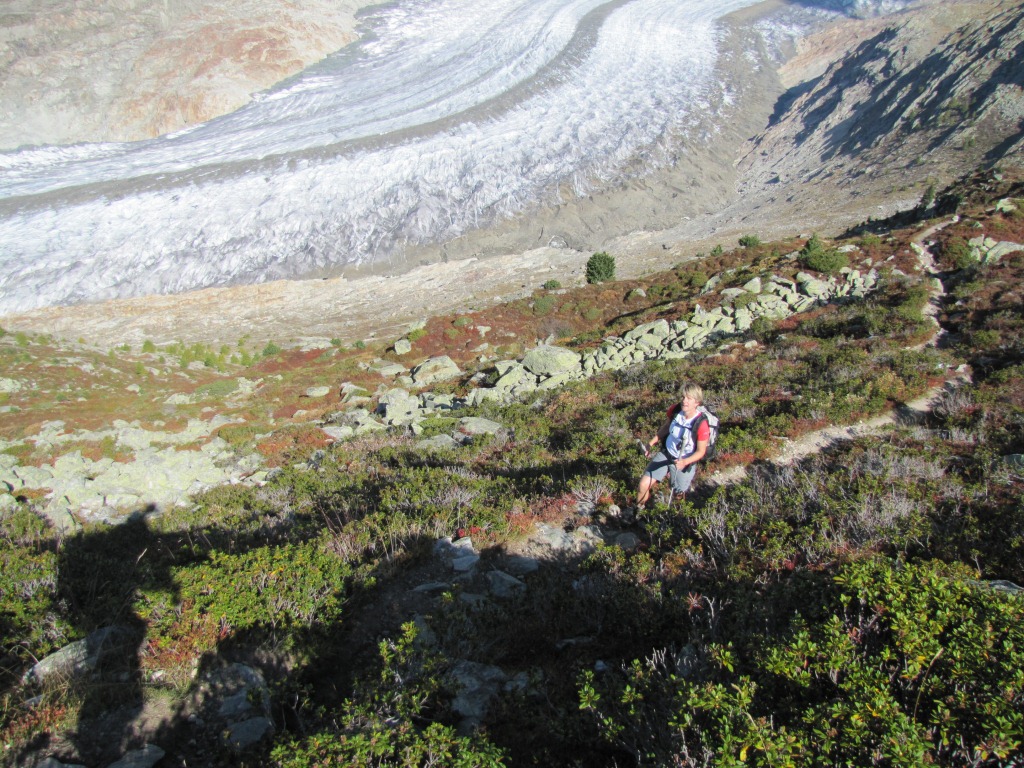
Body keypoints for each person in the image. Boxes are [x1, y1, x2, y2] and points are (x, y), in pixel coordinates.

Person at [633, 382, 710, 510]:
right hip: (666, 453)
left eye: (689, 398)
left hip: (684, 460)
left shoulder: (701, 423)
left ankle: (675, 515)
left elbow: (701, 451)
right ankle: (639, 511)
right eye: (683, 397)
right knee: (643, 485)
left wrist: (685, 462)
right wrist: (651, 443)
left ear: (697, 402)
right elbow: (666, 427)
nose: (684, 401)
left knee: (678, 494)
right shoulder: (675, 410)